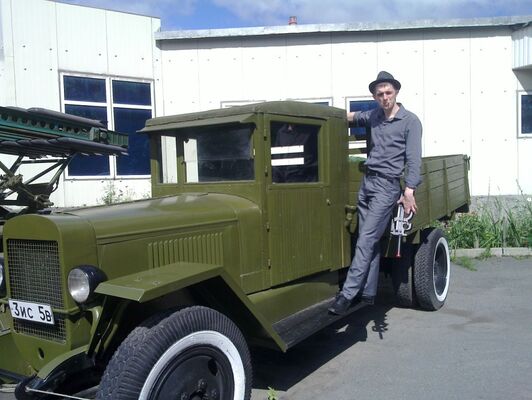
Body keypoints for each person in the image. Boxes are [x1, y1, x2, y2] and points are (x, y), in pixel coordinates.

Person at [328, 71, 422, 315]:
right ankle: (369, 292)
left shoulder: (410, 121)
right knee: (369, 238)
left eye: (388, 92)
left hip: (387, 186)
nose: (385, 97)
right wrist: (317, 114)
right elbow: (349, 117)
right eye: (380, 94)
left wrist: (409, 190)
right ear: (374, 96)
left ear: (396, 92)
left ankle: (347, 294)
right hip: (367, 183)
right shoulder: (373, 116)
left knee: (366, 239)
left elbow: (414, 159)